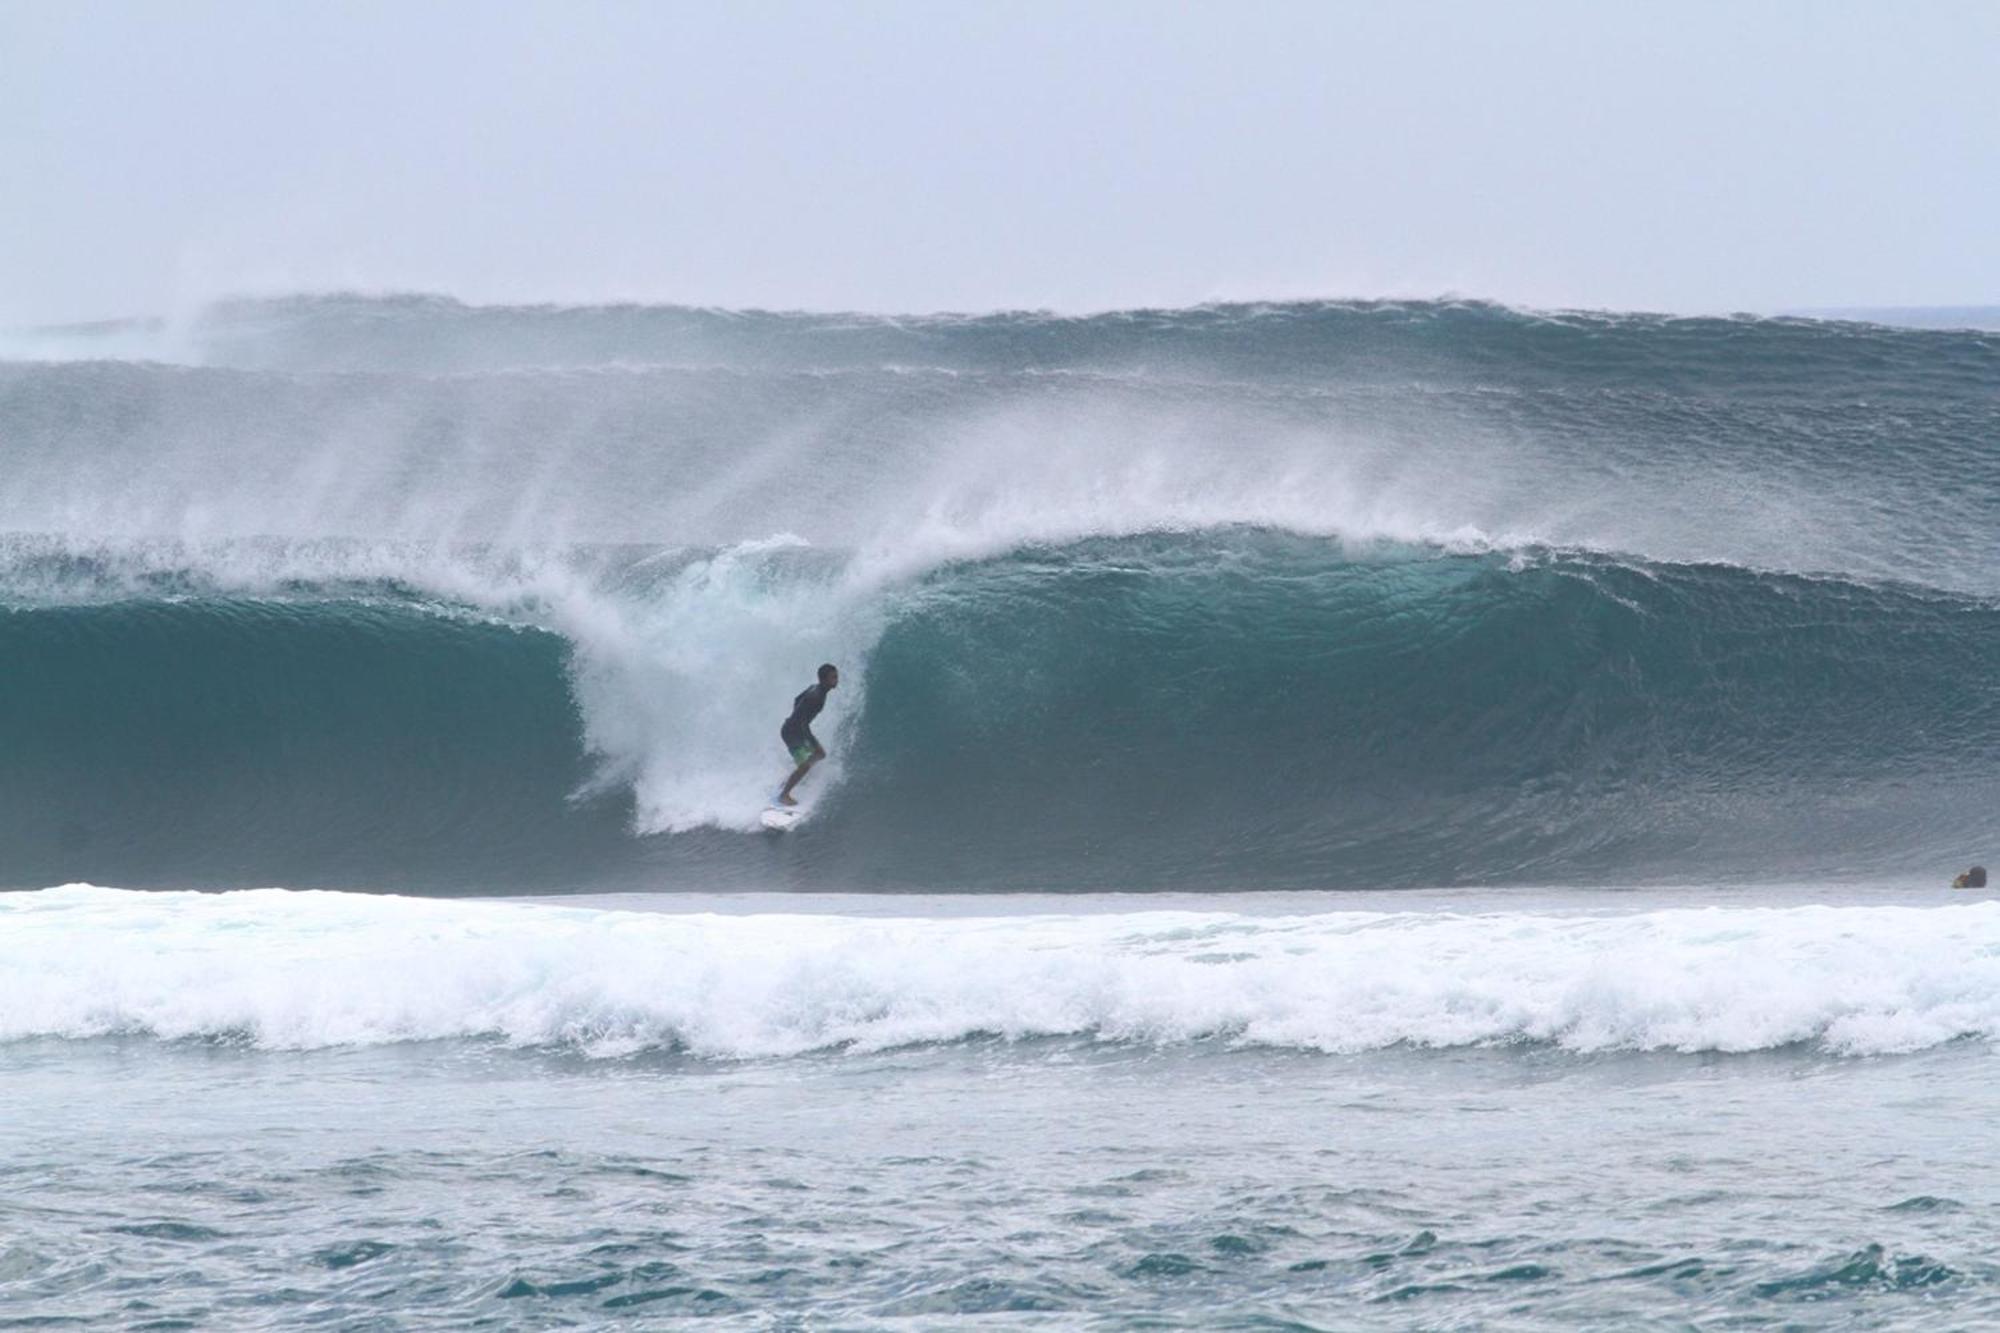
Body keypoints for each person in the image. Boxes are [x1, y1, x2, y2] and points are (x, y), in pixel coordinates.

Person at [777, 663, 839, 806]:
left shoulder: (815, 688)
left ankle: (794, 777)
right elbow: (803, 723)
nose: (836, 680)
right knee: (805, 764)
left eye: (836, 677)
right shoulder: (816, 697)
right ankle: (784, 794)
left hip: (796, 729)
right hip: (791, 733)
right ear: (824, 680)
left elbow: (796, 699)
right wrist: (809, 738)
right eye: (833, 677)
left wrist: (795, 716)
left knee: (820, 754)